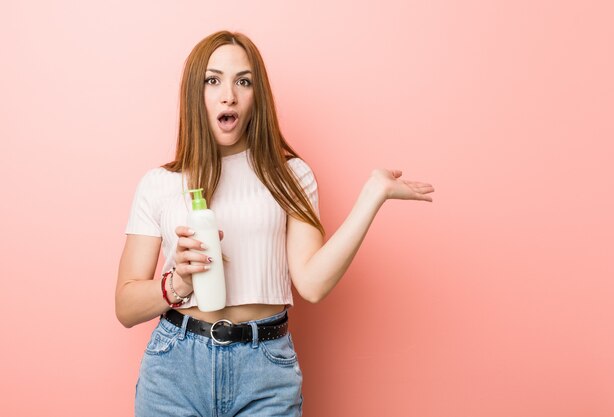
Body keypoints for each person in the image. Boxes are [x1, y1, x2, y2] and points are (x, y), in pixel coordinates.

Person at [116, 30, 434, 417]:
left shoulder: (289, 175)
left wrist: (372, 196)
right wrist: (177, 284)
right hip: (174, 370)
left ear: (256, 97)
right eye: (212, 80)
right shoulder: (160, 183)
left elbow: (313, 284)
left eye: (243, 81)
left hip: (264, 369)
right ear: (194, 94)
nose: (228, 94)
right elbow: (126, 305)